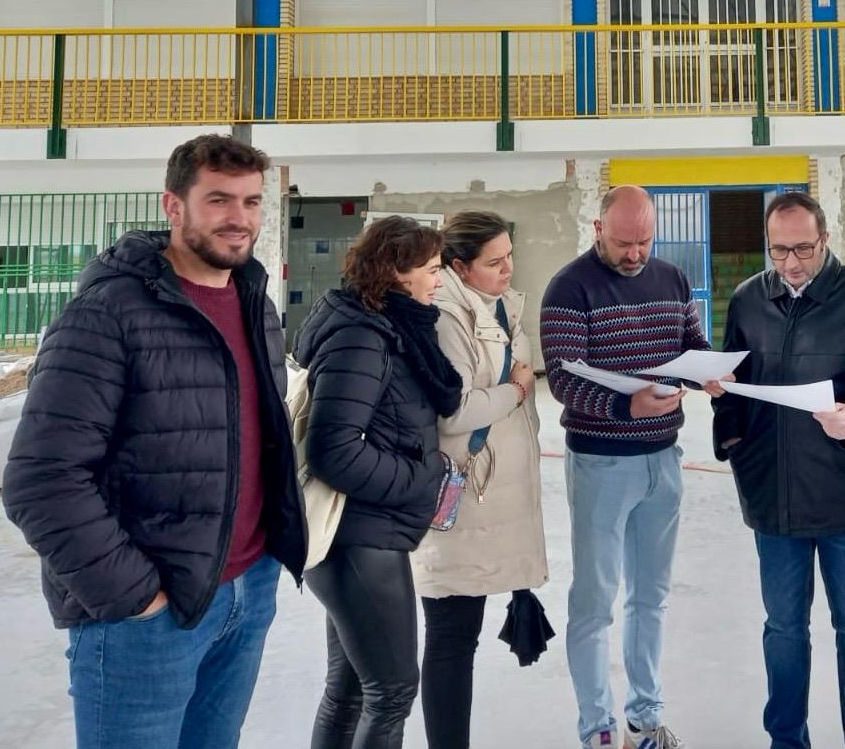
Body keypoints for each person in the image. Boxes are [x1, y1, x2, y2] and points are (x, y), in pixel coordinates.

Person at [3, 133, 306, 749]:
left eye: (251, 202)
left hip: (248, 588)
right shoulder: (107, 313)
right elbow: (42, 479)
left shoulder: (257, 306)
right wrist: (135, 596)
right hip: (149, 612)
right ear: (173, 207)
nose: (240, 219)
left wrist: (270, 557)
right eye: (219, 200)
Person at [712, 191, 845, 749]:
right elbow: (731, 382)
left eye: (803, 248)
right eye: (779, 251)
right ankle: (786, 740)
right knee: (782, 629)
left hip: (843, 492)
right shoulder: (750, 299)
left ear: (825, 239)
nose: (792, 263)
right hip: (771, 494)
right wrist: (732, 433)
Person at [541, 184, 725, 749]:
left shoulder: (670, 277)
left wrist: (707, 372)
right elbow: (565, 378)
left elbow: (690, 342)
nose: (635, 254)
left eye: (645, 241)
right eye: (624, 242)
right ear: (599, 229)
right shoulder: (569, 288)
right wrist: (625, 404)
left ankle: (645, 720)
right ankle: (597, 728)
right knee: (595, 602)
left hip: (663, 461)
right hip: (601, 463)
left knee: (651, 597)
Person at [293, 216, 461, 749]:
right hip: (357, 537)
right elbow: (334, 451)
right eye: (432, 270)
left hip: (363, 534)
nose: (439, 280)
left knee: (349, 690)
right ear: (395, 271)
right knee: (390, 691)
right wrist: (422, 477)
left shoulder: (389, 323)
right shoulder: (362, 335)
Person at [412, 210, 548, 749]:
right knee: (450, 637)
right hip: (460, 501)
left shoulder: (499, 304)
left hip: (492, 501)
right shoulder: (447, 316)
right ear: (458, 266)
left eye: (510, 256)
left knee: (459, 635)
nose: (508, 269)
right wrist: (516, 391)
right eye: (494, 262)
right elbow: (455, 411)